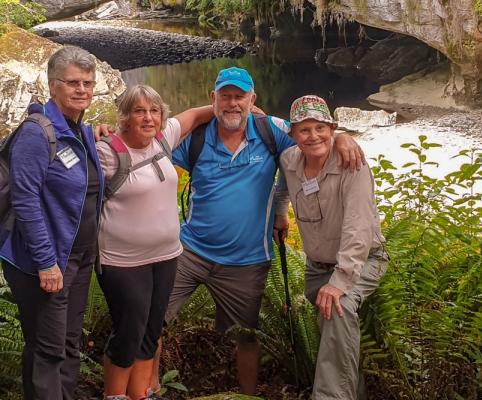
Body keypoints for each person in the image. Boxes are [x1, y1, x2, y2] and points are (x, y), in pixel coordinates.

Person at [156, 67, 363, 396]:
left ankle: (246, 395)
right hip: (190, 250)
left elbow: (310, 137)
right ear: (214, 99)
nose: (232, 103)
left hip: (247, 260)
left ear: (253, 99)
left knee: (247, 336)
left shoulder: (272, 130)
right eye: (225, 96)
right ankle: (147, 389)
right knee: (153, 322)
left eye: (240, 96)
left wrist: (342, 137)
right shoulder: (197, 137)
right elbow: (151, 148)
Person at [95, 85, 214, 400]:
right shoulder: (107, 151)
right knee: (129, 330)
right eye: (139, 111)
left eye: (154, 111)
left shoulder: (163, 139)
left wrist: (240, 109)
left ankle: (141, 393)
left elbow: (196, 114)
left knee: (151, 329)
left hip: (165, 256)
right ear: (124, 117)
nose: (148, 118)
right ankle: (115, 395)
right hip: (121, 261)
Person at [0, 45, 104, 400]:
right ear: (53, 85)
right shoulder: (36, 133)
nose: (82, 90)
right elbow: (25, 200)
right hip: (45, 261)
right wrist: (46, 262)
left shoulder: (82, 131)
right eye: (73, 82)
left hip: (78, 258)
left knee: (69, 342)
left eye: (88, 83)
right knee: (48, 349)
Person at [276, 95, 388, 400]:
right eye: (304, 130)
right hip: (317, 266)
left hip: (363, 260)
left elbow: (358, 229)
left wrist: (340, 282)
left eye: (320, 128)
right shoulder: (289, 161)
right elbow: (281, 189)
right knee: (335, 334)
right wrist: (279, 213)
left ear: (332, 128)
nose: (313, 136)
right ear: (293, 134)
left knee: (337, 310)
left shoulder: (353, 165)